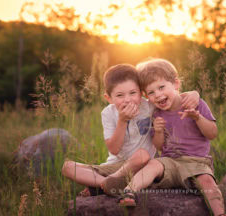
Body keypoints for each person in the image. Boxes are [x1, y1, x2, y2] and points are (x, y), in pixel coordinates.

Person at [62, 63, 199, 196]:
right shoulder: (108, 113)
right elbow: (114, 149)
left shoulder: (149, 107)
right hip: (117, 167)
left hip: (142, 165)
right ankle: (107, 183)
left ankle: (103, 186)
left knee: (143, 154)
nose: (127, 100)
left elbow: (171, 96)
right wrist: (122, 121)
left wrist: (194, 94)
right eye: (120, 95)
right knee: (68, 167)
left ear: (141, 93)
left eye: (133, 93)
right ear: (109, 98)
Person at [118, 58, 226, 216]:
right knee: (153, 164)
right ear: (146, 96)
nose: (158, 95)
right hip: (170, 162)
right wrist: (158, 131)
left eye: (161, 87)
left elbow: (212, 133)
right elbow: (159, 147)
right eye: (151, 92)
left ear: (176, 84)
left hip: (196, 162)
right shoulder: (156, 114)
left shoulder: (195, 104)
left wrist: (198, 118)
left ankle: (220, 213)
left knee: (207, 181)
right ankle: (129, 191)